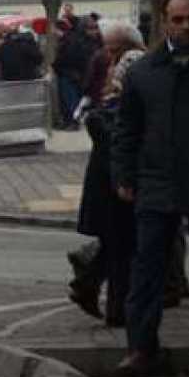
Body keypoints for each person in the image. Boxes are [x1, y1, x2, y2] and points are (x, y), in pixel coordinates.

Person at [112, 0, 189, 376]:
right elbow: (127, 130)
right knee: (147, 270)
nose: (186, 26)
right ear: (164, 22)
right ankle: (142, 347)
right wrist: (124, 175)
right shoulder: (144, 72)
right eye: (178, 19)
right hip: (158, 184)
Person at [68, 22, 146, 325]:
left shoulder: (116, 82)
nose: (109, 58)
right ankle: (113, 306)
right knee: (122, 247)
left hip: (111, 179)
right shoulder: (131, 70)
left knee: (118, 244)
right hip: (117, 182)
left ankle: (88, 282)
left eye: (113, 49)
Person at [53, 16, 102, 130]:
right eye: (91, 28)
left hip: (77, 75)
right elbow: (66, 58)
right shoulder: (77, 40)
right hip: (73, 74)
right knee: (72, 100)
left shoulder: (94, 41)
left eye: (95, 28)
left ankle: (73, 122)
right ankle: (72, 121)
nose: (94, 31)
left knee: (73, 101)